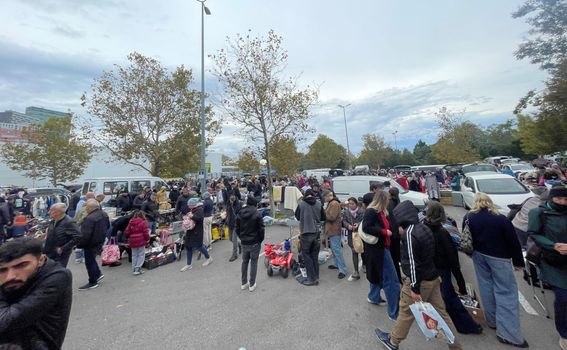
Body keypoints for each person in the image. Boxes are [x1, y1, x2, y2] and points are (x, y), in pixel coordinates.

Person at [376, 200, 462, 350]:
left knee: (406, 312)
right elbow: (430, 255)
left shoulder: (409, 235)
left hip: (419, 282)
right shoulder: (424, 227)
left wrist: (414, 289)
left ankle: (393, 341)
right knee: (442, 314)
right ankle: (456, 346)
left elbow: (414, 265)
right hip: (433, 277)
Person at [464, 192, 528, 348]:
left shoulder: (469, 217)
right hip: (500, 258)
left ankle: (492, 320)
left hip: (479, 256)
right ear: (489, 202)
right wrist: (518, 262)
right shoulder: (501, 219)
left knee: (486, 287)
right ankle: (509, 334)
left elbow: (467, 237)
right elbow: (513, 242)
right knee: (506, 292)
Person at [0, 238, 73, 349]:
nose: (10, 276)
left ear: (41, 260)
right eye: (3, 270)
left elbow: (5, 321)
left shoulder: (57, 276)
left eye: (21, 265)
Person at [425, 201, 482, 334]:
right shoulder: (443, 233)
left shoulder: (423, 229)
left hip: (428, 270)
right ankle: (466, 326)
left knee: (440, 298)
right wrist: (461, 284)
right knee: (450, 298)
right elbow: (453, 261)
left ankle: (457, 325)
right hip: (441, 271)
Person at [527, 184, 567, 350]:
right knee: (563, 298)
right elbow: (533, 234)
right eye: (559, 199)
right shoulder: (538, 213)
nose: (563, 202)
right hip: (553, 261)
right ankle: (564, 334)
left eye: (566, 199)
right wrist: (553, 245)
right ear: (551, 198)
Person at [362, 191, 400, 322]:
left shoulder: (382, 211)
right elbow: (366, 228)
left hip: (382, 248)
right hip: (378, 249)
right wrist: (384, 232)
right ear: (383, 200)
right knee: (392, 281)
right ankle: (394, 313)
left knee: (378, 274)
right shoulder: (372, 211)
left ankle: (373, 297)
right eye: (387, 199)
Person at [77, 199, 110, 291]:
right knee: (92, 260)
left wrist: (79, 244)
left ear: (91, 208)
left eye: (86, 207)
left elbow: (85, 234)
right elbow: (107, 226)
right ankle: (98, 274)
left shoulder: (89, 218)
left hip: (90, 243)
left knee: (89, 261)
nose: (85, 209)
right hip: (100, 240)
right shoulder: (104, 214)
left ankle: (93, 281)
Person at [295, 189, 326, 286]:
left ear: (305, 195)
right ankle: (316, 276)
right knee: (314, 256)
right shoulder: (319, 203)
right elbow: (323, 218)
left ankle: (311, 279)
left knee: (306, 255)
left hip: (306, 232)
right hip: (316, 232)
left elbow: (297, 217)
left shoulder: (301, 204)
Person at [235, 196, 265, 292]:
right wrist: (260, 239)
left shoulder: (240, 213)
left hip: (245, 242)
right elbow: (261, 229)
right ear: (255, 204)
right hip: (255, 242)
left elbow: (237, 228)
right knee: (253, 263)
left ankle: (244, 283)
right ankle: (252, 284)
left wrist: (242, 237)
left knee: (245, 262)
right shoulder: (257, 213)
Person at [43, 203, 81, 268]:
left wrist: (63, 248)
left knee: (58, 272)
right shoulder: (53, 220)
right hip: (50, 251)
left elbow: (78, 237)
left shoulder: (69, 222)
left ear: (58, 212)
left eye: (51, 210)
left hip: (60, 254)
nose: (49, 212)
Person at [180, 198, 213, 271]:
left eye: (189, 205)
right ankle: (189, 264)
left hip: (197, 232)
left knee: (199, 246)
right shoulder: (194, 209)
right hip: (191, 231)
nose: (188, 207)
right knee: (188, 247)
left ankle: (209, 258)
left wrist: (192, 216)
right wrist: (188, 217)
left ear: (193, 205)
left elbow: (200, 219)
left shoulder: (200, 209)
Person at [322, 190, 348, 279]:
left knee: (337, 249)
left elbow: (331, 217)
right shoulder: (332, 203)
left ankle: (343, 270)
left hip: (334, 229)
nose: (324, 199)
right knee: (334, 248)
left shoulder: (334, 203)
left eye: (324, 197)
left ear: (327, 196)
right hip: (332, 229)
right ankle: (336, 264)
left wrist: (323, 213)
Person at [342, 197, 364, 281]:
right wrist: (348, 226)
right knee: (354, 251)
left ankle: (364, 264)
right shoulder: (346, 211)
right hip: (351, 234)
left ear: (356, 204)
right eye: (349, 204)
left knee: (362, 250)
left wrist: (358, 224)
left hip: (360, 234)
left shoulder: (361, 211)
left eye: (352, 204)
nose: (351, 205)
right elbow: (343, 221)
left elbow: (364, 220)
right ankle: (356, 271)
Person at [123, 210, 150, 276]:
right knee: (141, 255)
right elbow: (145, 232)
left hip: (132, 240)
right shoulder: (143, 222)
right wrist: (148, 239)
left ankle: (134, 269)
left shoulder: (131, 222)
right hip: (141, 240)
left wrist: (128, 237)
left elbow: (126, 232)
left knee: (134, 255)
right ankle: (137, 269)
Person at [73, 191, 95, 264]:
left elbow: (76, 218)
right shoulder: (83, 208)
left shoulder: (82, 207)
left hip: (82, 228)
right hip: (82, 228)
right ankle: (79, 258)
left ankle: (80, 258)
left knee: (82, 243)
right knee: (82, 243)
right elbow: (78, 218)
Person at [387, 187, 402, 282]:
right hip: (398, 233)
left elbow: (391, 220)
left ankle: (397, 278)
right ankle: (400, 277)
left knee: (394, 258)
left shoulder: (390, 204)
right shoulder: (398, 202)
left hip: (393, 234)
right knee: (398, 257)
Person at [226, 191, 242, 262]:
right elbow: (228, 212)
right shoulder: (228, 203)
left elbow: (239, 213)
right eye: (231, 195)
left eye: (233, 195)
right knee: (230, 238)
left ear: (235, 196)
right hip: (230, 224)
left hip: (236, 224)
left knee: (234, 239)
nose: (232, 197)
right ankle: (240, 245)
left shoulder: (238, 203)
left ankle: (234, 254)